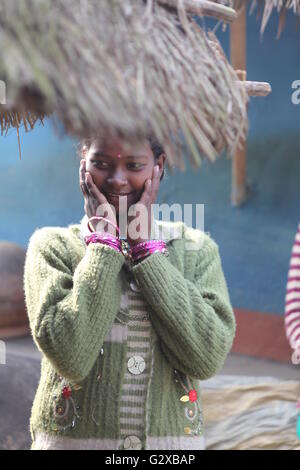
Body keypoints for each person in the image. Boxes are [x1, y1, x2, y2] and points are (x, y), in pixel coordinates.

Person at [23, 133, 236, 450]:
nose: (117, 180)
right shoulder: (52, 248)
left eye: (134, 165)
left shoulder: (195, 250)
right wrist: (104, 248)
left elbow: (206, 358)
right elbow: (71, 357)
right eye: (101, 163)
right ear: (83, 165)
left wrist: (147, 251)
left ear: (158, 167)